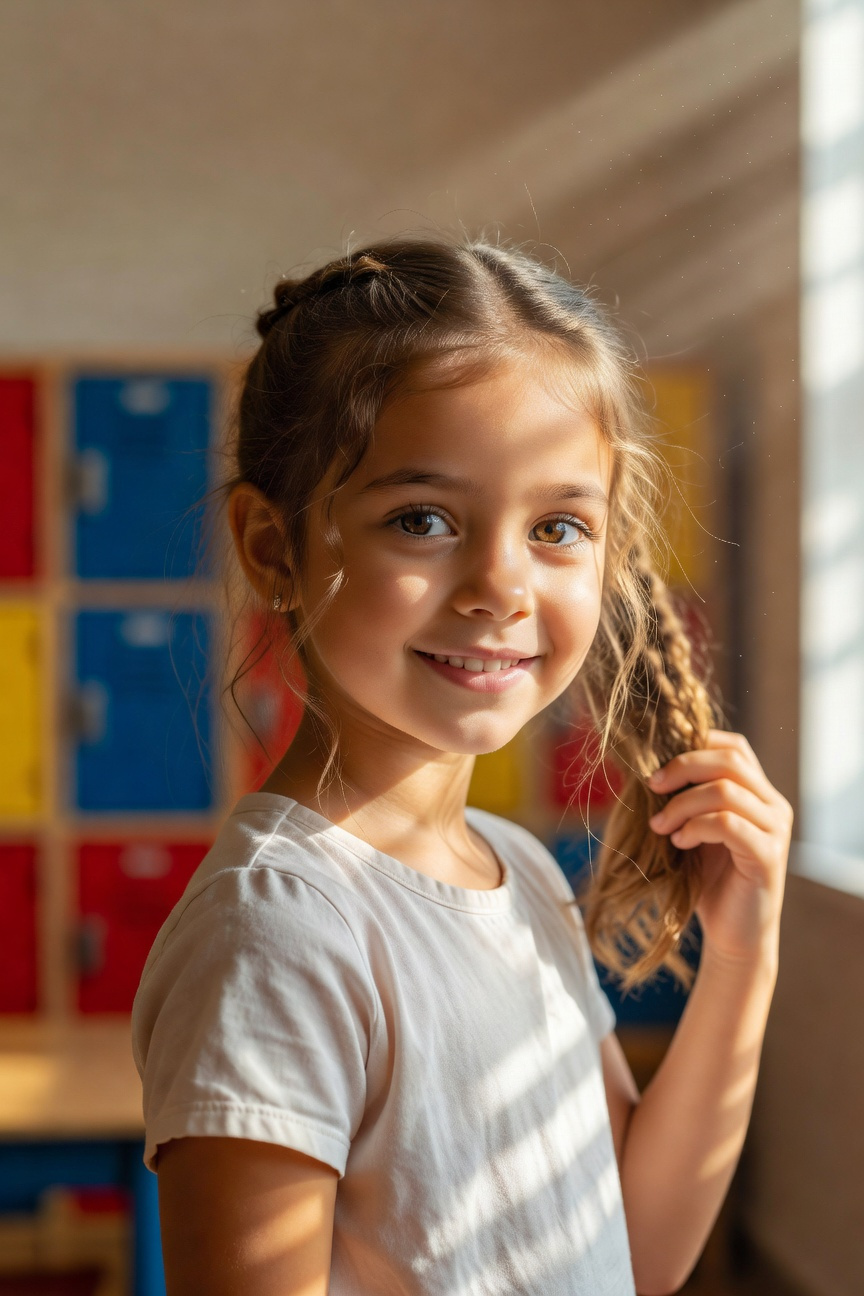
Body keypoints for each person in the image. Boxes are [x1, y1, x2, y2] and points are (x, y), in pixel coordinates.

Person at [131, 238, 793, 1295]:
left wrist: (744, 953)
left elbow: (636, 1247)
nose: (500, 585)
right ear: (272, 547)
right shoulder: (278, 931)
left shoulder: (518, 871)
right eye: (423, 520)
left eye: (558, 526)